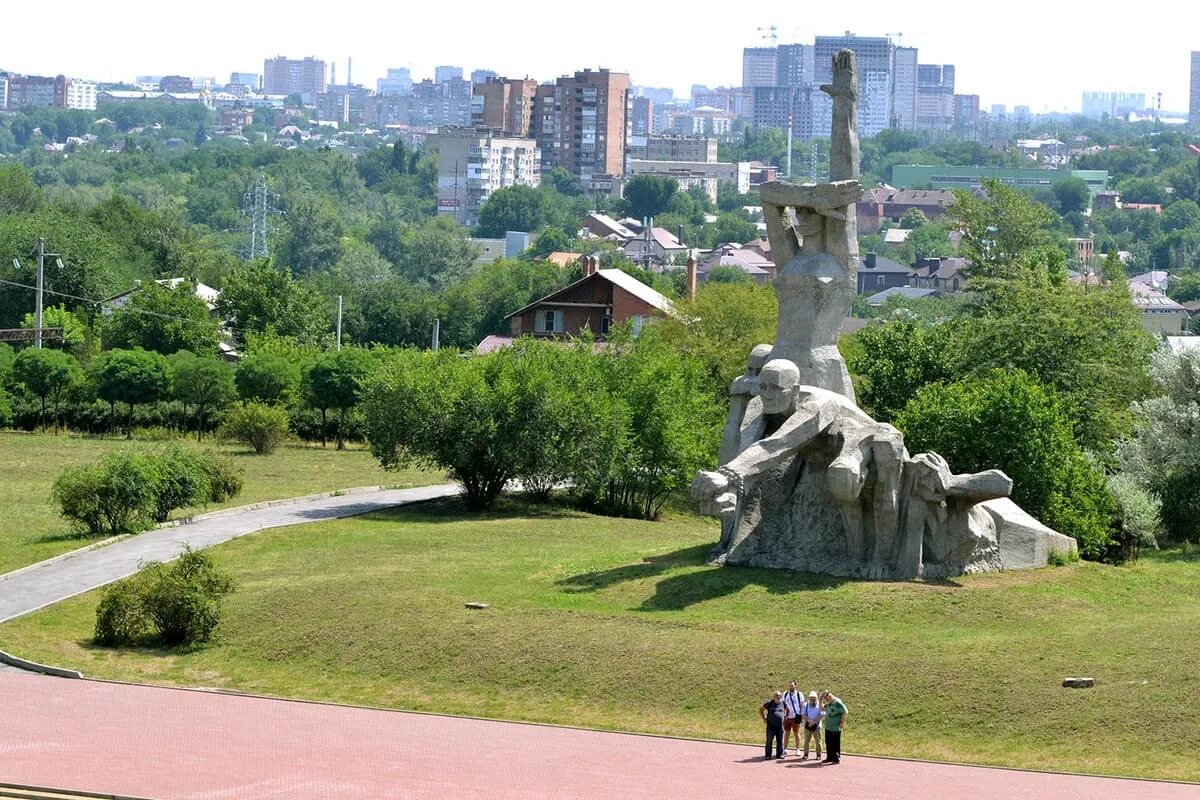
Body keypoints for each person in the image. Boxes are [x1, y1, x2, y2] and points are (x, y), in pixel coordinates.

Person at [820, 690, 848, 764]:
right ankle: (829, 757)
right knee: (828, 743)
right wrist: (820, 701)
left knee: (835, 743)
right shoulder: (829, 703)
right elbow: (822, 708)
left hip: (835, 727)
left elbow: (845, 712)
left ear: (829, 696)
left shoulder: (838, 703)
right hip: (828, 727)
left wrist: (842, 722)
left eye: (826, 699)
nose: (826, 701)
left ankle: (836, 758)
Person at [759, 690, 786, 759]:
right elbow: (761, 709)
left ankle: (780, 754)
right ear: (774, 696)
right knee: (769, 741)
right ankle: (768, 755)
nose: (778, 697)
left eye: (780, 696)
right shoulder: (769, 703)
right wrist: (764, 718)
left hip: (780, 727)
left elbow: (787, 710)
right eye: (777, 695)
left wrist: (785, 717)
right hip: (771, 726)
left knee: (780, 741)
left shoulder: (783, 703)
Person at [800, 690, 825, 760]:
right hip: (808, 726)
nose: (812, 699)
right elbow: (803, 714)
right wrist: (809, 721)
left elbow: (822, 714)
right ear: (809, 698)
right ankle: (806, 754)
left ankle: (819, 755)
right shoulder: (806, 705)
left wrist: (814, 722)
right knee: (806, 741)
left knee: (818, 741)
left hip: (817, 726)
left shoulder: (820, 705)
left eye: (814, 698)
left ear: (816, 698)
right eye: (811, 698)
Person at [781, 680, 804, 756]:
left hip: (795, 717)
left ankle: (798, 749)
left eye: (792, 685)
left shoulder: (799, 694)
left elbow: (801, 705)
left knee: (796, 733)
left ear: (795, 686)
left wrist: (801, 715)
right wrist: (784, 714)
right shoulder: (785, 694)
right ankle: (785, 749)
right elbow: (783, 704)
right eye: (790, 685)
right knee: (786, 733)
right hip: (787, 717)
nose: (791, 687)